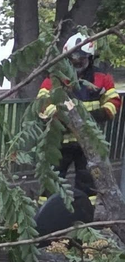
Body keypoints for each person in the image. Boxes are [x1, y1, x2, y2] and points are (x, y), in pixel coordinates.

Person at [37, 33, 121, 191]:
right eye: (73, 58)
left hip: (89, 142)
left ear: (90, 58)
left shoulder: (101, 78)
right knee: (52, 183)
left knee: (88, 182)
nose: (76, 62)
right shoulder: (54, 79)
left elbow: (113, 101)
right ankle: (48, 214)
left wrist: (100, 114)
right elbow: (42, 104)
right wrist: (62, 120)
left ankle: (85, 213)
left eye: (81, 59)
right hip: (59, 141)